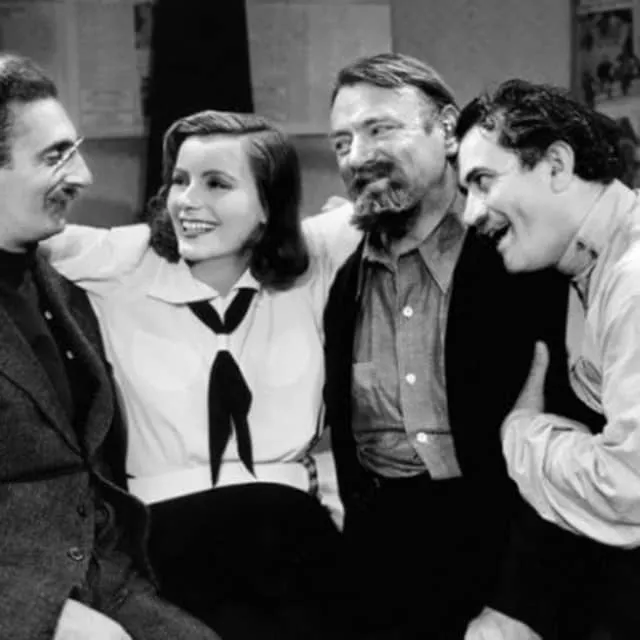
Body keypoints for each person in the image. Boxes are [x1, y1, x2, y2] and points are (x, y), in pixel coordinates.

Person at [43, 109, 362, 639]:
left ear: (268, 204)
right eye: (179, 180)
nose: (188, 201)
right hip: (165, 551)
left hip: (295, 550)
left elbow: (414, 200)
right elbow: (19, 227)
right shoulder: (124, 259)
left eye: (217, 183)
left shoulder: (315, 259)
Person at [324, 52, 600, 640]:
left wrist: (520, 604)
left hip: (509, 567)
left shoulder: (524, 257)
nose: (357, 156)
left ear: (448, 129)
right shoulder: (346, 285)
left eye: (380, 129)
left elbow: (576, 439)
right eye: (342, 142)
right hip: (379, 576)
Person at [0, 53, 222, 640]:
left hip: (108, 578)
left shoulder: (61, 289)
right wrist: (31, 613)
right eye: (55, 156)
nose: (83, 176)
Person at [456, 78, 640, 639]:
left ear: (557, 165)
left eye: (483, 181)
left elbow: (628, 489)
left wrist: (523, 432)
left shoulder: (633, 280)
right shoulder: (588, 269)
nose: (470, 214)